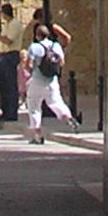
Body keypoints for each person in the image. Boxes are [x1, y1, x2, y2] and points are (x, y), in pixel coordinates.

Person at [21, 11, 72, 145]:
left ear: (37, 35)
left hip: (37, 80)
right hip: (52, 80)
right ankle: (67, 115)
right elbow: (62, 62)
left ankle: (37, 135)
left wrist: (29, 70)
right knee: (56, 101)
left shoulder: (35, 47)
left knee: (34, 107)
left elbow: (29, 65)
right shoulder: (56, 46)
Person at [0, 2, 23, 123]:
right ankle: (5, 111)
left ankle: (11, 113)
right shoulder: (8, 24)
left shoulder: (15, 24)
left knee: (10, 84)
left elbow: (9, 40)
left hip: (11, 56)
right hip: (5, 56)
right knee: (3, 84)